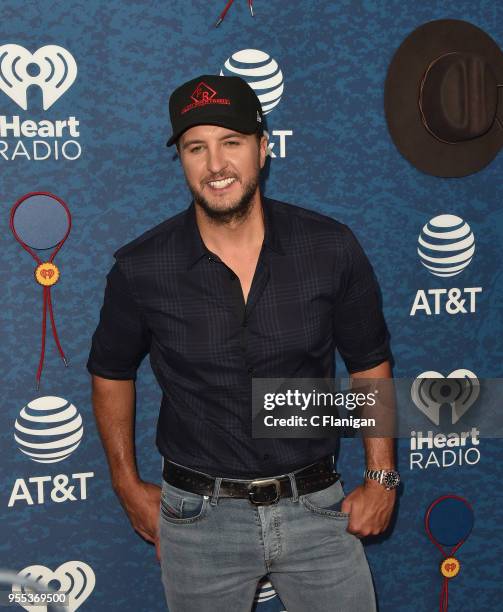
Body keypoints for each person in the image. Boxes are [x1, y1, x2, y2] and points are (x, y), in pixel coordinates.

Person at [87, 74, 399, 612]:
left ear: (263, 147)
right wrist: (125, 484)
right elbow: (111, 372)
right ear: (182, 159)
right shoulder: (142, 268)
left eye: (230, 142)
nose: (215, 165)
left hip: (318, 509)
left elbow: (369, 365)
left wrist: (382, 477)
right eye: (196, 148)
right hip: (198, 520)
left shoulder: (330, 247)